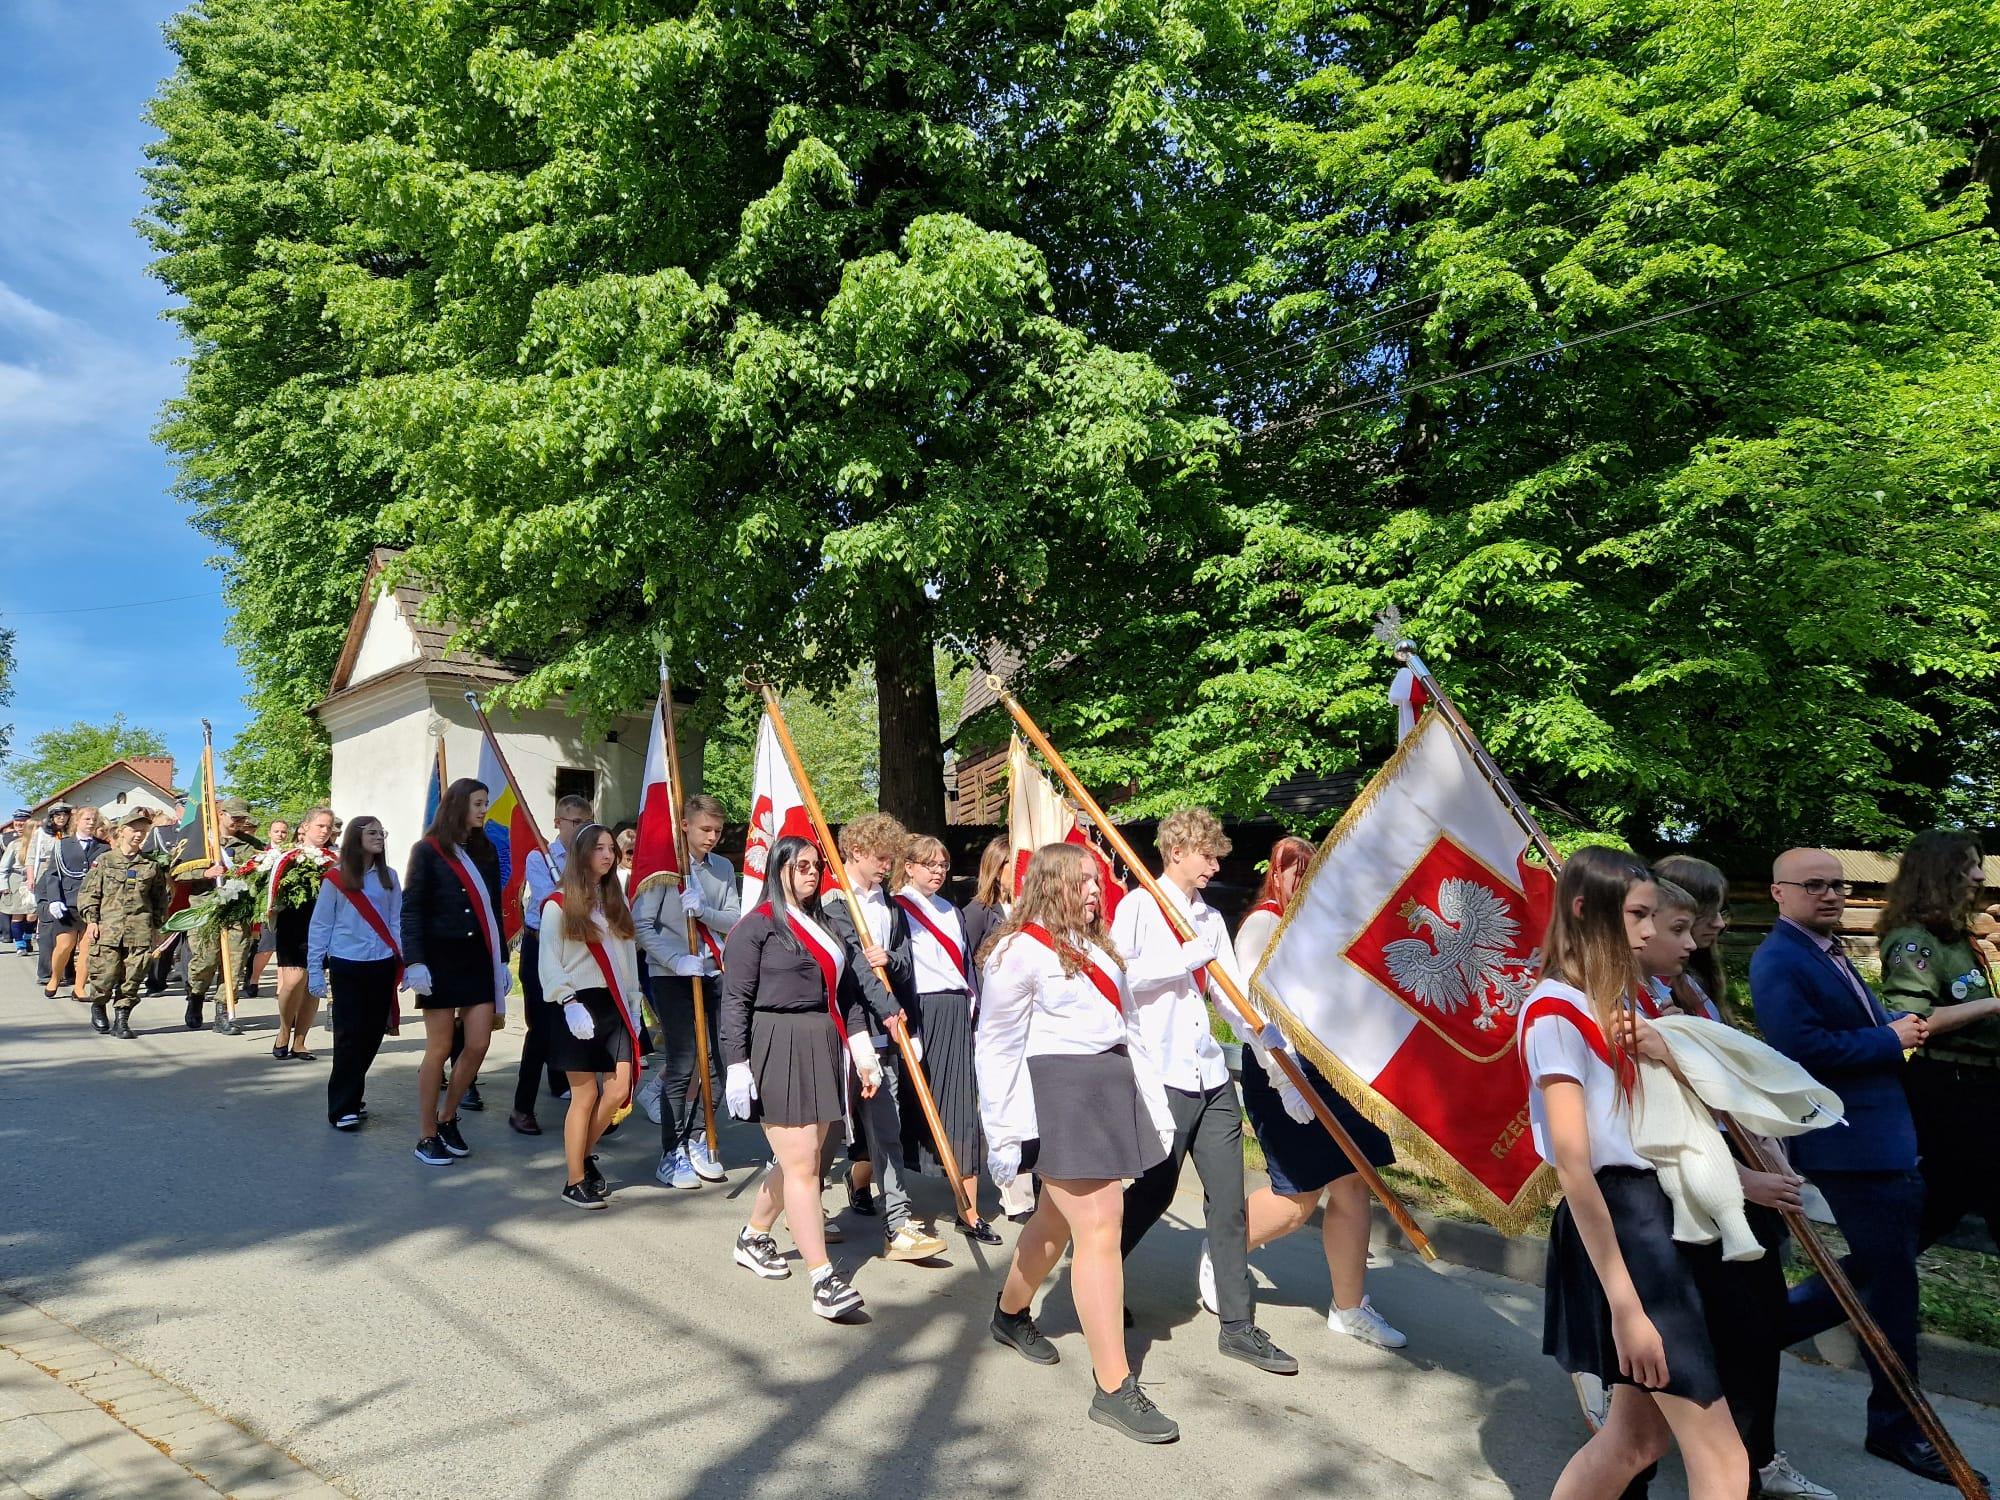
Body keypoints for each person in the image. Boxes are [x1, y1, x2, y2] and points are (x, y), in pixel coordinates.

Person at [1523, 846, 1748, 1500]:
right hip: (1627, 1231)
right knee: (1723, 1461)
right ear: (1586, 911)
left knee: (1637, 1441)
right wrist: (1626, 1305)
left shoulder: (1619, 1005)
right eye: (1639, 915)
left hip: (1656, 1218)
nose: (1651, 932)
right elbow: (1575, 1167)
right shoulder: (1554, 1012)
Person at [1750, 847, 1972, 1487]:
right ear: (1778, 894)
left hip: (1883, 1141)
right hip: (1850, 1146)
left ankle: (1752, 1335)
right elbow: (1799, 1051)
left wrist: (1889, 1028)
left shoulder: (1827, 952)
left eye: (1837, 885)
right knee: (1893, 1290)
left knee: (1880, 1273)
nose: (1830, 895)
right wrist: (1891, 1038)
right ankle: (1898, 1428)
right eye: (1813, 885)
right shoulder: (1779, 959)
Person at [1634, 870, 1835, 1500]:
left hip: (1726, 1172)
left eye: (1706, 919)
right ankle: (1731, 1464)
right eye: (1687, 924)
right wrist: (1741, 1179)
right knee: (1655, 1395)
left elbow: (1725, 1096)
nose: (1705, 932)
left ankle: (1755, 1457)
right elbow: (1649, 1130)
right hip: (1684, 1196)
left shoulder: (1685, 989)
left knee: (1752, 1336)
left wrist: (1766, 1158)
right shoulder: (1626, 1011)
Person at [979, 843, 1179, 1442]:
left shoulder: (1098, 947)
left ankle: (1010, 1314)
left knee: (1055, 1223)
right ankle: (1114, 1387)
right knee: (1100, 1227)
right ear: (1051, 884)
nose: (1097, 890)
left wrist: (1152, 1103)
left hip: (1108, 1086)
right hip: (1060, 1091)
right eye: (1085, 882)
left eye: (1098, 881)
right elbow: (996, 1046)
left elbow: (1130, 1027)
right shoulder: (1017, 952)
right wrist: (1005, 1133)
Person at [1110, 807, 1296, 1376]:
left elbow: (1229, 993)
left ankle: (1238, 1325)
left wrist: (1261, 1033)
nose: (1215, 865)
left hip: (1210, 1076)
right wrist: (1182, 958)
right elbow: (1120, 980)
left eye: (1218, 856)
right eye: (1207, 856)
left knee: (1229, 1200)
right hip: (1159, 1075)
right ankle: (1097, 1275)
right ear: (1177, 852)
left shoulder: (1211, 918)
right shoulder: (1140, 906)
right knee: (1153, 1193)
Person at [1232, 835, 1405, 1348]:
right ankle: (1224, 1250)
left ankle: (1349, 1308)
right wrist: (1288, 1081)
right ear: (1275, 875)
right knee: (1296, 1201)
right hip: (1281, 1068)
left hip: (1334, 1070)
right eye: (1293, 869)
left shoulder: (1324, 926)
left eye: (1311, 869)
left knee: (1354, 1184)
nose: (1301, 879)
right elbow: (1251, 1011)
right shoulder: (1263, 924)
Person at [720, 833, 867, 1320]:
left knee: (798, 1159)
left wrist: (863, 1052)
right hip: (776, 1042)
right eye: (800, 865)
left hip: (821, 1042)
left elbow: (846, 994)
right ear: (778, 868)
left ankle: (754, 1236)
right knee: (805, 1166)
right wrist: (736, 1065)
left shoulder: (824, 924)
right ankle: (823, 1278)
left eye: (814, 866)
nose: (810, 873)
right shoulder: (755, 928)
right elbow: (735, 1001)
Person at [820, 813, 949, 1263]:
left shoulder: (892, 907)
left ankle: (898, 1223)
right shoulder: (832, 906)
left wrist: (889, 958)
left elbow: (906, 965)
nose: (886, 866)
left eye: (891, 859)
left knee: (887, 1128)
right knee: (829, 1129)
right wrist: (889, 1006)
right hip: (843, 1031)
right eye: (880, 858)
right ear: (856, 852)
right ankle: (807, 1208)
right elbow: (851, 973)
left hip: (883, 1035)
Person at [1877, 831, 2000, 1255]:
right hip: (1950, 1089)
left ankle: (1858, 1293)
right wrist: (1993, 1007)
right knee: (1942, 1204)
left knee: (1940, 1206)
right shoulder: (1916, 941)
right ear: (1936, 875)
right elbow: (1910, 1021)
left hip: (1977, 1086)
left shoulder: (1954, 938)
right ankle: (1846, 1296)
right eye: (1967, 866)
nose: (1980, 875)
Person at [893, 835, 998, 1243]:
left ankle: (968, 1212)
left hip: (955, 1012)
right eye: (929, 864)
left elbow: (967, 967)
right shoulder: (894, 909)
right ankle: (864, 1180)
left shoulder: (951, 911)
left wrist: (974, 1009)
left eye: (942, 864)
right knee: (902, 1108)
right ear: (910, 866)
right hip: (916, 1012)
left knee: (960, 1109)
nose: (937, 871)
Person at [634, 792, 740, 1188]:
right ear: (684, 826)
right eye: (705, 829)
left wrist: (704, 912)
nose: (712, 836)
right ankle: (671, 1151)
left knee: (714, 1062)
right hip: (672, 974)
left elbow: (733, 918)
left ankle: (698, 1137)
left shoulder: (722, 869)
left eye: (717, 830)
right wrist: (678, 958)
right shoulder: (664, 869)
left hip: (713, 972)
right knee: (682, 1062)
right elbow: (643, 926)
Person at [402, 778, 510, 1168]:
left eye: (485, 803)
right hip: (439, 960)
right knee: (440, 1047)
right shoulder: (427, 850)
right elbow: (411, 908)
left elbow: (494, 907)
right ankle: (426, 1133)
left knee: (478, 1044)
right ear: (458, 805)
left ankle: (448, 1116)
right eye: (478, 803)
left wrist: (501, 960)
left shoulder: (485, 849)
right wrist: (414, 961)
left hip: (478, 959)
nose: (483, 810)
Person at [539, 823, 644, 1209]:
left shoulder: (616, 903)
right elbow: (549, 959)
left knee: (618, 1089)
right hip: (576, 1006)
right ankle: (574, 1180)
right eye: (598, 848)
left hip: (614, 1003)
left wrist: (634, 1003)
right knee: (585, 1095)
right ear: (581, 854)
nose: (607, 855)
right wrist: (567, 1002)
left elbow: (629, 958)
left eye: (611, 849)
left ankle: (580, 1154)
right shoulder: (558, 904)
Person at [309, 815, 403, 1131]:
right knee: (349, 1035)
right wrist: (314, 970)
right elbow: (321, 924)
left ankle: (352, 1092)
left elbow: (395, 921)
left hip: (381, 962)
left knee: (374, 1032)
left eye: (382, 832)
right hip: (347, 962)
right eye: (372, 832)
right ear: (355, 837)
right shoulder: (335, 878)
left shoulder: (389, 876)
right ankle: (342, 1107)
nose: (379, 837)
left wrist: (403, 958)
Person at [510, 794, 593, 1137]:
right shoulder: (540, 857)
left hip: (578, 949)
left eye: (584, 823)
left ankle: (564, 1082)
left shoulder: (590, 856)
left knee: (578, 1020)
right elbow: (550, 901)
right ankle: (521, 1107)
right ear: (558, 822)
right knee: (542, 1028)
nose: (579, 829)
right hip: (541, 944)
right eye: (574, 822)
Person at [77, 812, 171, 1039]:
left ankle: (122, 1019)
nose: (138, 835)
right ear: (122, 831)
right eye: (134, 830)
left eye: (143, 831)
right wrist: (91, 921)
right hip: (108, 928)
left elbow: (160, 899)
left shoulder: (151, 865)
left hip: (140, 929)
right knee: (105, 975)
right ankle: (99, 1005)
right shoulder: (105, 861)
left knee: (133, 977)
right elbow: (89, 894)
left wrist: (159, 928)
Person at [185, 797, 265, 1036]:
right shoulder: (201, 842)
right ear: (221, 814)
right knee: (205, 961)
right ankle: (196, 997)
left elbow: (260, 875)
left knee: (234, 963)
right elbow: (177, 871)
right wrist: (205, 872)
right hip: (206, 909)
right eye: (234, 817)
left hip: (237, 911)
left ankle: (224, 1013)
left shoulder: (251, 845)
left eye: (242, 818)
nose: (238, 822)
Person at [269, 808, 335, 1061]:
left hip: (322, 925)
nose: (325, 831)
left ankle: (300, 1041)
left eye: (328, 827)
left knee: (312, 984)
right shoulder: (287, 857)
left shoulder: (333, 860)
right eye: (320, 826)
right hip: (293, 923)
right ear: (305, 827)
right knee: (294, 980)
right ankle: (284, 1030)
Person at [35, 805, 106, 999]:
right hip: (68, 903)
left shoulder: (103, 847)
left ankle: (79, 987)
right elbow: (52, 875)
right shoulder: (62, 845)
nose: (91, 823)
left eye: (94, 820)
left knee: (87, 948)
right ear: (76, 822)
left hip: (92, 905)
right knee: (64, 946)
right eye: (87, 819)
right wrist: (54, 900)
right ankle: (55, 978)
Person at [247, 817, 294, 998]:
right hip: (267, 907)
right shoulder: (261, 854)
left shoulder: (292, 853)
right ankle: (253, 979)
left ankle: (280, 988)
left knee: (283, 949)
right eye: (277, 831)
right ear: (270, 833)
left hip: (286, 908)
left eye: (283, 832)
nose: (280, 835)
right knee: (266, 949)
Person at [29, 804, 71, 986]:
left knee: (67, 927)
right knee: (47, 928)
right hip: (45, 880)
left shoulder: (72, 834)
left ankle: (67, 972)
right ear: (52, 817)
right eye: (58, 815)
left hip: (67, 882)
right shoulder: (41, 834)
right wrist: (30, 878)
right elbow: (32, 857)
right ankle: (45, 972)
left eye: (65, 815)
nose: (62, 818)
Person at [1, 810, 36, 955]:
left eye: (23, 821)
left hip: (33, 880)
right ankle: (20, 945)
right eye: (17, 821)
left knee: (32, 914)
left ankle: (27, 938)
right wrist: (3, 886)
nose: (20, 824)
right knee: (17, 914)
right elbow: (3, 866)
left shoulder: (37, 842)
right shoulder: (14, 844)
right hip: (16, 879)